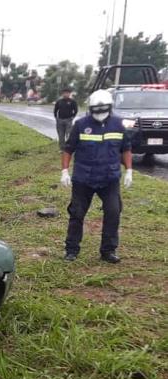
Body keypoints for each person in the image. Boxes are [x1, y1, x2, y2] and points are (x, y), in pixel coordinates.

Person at [61, 89, 133, 264]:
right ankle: (71, 250)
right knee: (77, 214)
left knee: (113, 212)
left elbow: (125, 149)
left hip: (109, 178)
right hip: (83, 178)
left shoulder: (118, 125)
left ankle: (108, 250)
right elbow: (68, 149)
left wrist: (129, 170)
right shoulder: (80, 125)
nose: (99, 113)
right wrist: (64, 170)